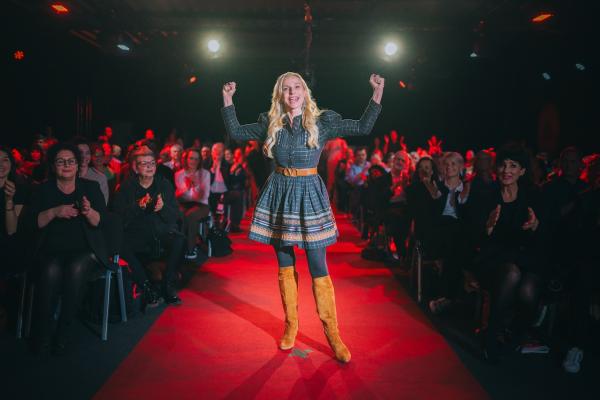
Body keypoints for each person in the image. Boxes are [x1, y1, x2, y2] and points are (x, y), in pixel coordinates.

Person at [221, 71, 384, 362]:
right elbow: (235, 132)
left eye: (297, 88)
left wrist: (376, 92)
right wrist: (228, 99)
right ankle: (291, 325)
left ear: (305, 92)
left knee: (318, 264)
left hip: (310, 193)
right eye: (286, 89)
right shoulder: (269, 122)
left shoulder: (323, 122)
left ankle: (333, 333)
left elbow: (363, 126)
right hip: (280, 194)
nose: (292, 93)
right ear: (279, 95)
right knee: (285, 263)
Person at [28, 142, 108, 354]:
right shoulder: (43, 190)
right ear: (53, 166)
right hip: (50, 250)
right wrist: (55, 212)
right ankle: (43, 332)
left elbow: (101, 222)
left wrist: (89, 211)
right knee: (51, 269)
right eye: (61, 161)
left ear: (77, 164)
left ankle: (63, 329)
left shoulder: (90, 188)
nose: (66, 165)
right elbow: (31, 223)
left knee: (76, 267)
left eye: (71, 161)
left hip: (85, 250)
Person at [112, 147, 184, 307]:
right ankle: (146, 286)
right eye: (144, 164)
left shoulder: (163, 184)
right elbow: (118, 218)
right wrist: (138, 206)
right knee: (120, 244)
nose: (150, 167)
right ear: (135, 167)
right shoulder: (126, 187)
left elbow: (175, 215)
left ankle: (167, 284)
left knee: (178, 240)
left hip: (159, 233)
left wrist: (162, 208)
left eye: (152, 163)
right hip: (136, 235)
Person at [174, 148, 210, 260]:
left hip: (201, 204)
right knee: (179, 214)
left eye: (196, 159)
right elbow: (180, 196)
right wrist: (188, 188)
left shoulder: (205, 174)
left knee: (190, 215)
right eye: (191, 158)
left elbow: (204, 195)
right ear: (186, 159)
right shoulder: (179, 174)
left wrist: (195, 185)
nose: (193, 161)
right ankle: (178, 247)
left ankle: (190, 248)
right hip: (184, 203)